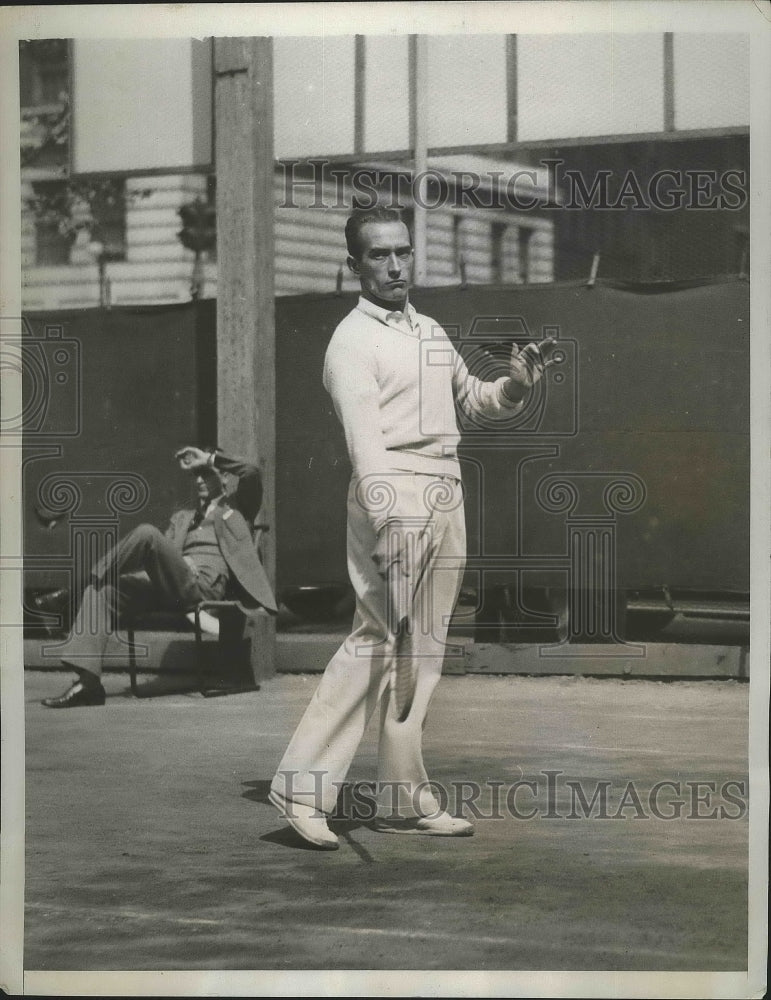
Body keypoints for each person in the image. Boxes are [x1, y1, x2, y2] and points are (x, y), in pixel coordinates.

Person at [269, 205, 554, 849]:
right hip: (393, 493)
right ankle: (301, 789)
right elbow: (365, 445)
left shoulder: (428, 329)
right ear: (354, 266)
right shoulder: (350, 342)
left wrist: (513, 385)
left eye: (402, 251)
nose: (395, 265)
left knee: (422, 650)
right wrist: (389, 517)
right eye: (379, 255)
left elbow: (475, 402)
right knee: (377, 640)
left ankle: (403, 797)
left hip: (447, 488)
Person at [41, 447, 277, 708]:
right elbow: (163, 556)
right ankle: (88, 683)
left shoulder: (237, 507)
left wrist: (208, 458)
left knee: (147, 534)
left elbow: (252, 472)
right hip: (172, 585)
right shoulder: (182, 518)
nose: (199, 480)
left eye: (206, 474)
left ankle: (69, 596)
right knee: (104, 590)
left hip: (204, 588)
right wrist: (178, 562)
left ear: (223, 478)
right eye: (196, 475)